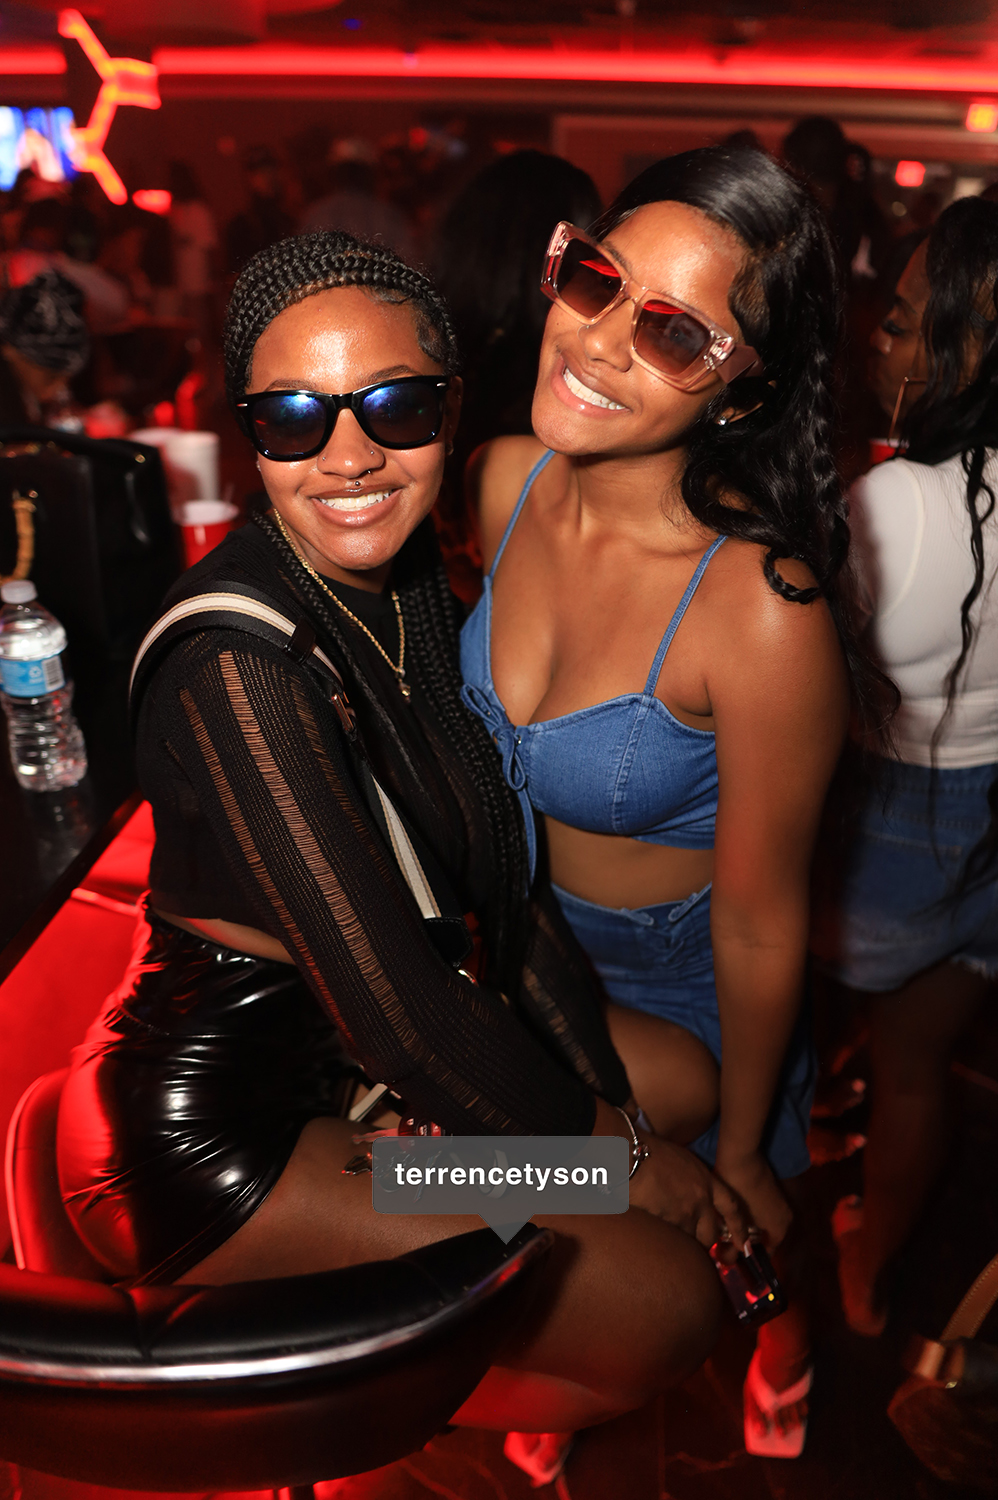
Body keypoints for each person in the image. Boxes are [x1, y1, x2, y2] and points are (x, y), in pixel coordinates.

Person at [56, 230, 745, 1464]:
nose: (349, 457)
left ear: (450, 407)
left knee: (680, 1080)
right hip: (224, 1146)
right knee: (671, 1302)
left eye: (395, 406)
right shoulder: (235, 663)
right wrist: (618, 1161)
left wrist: (603, 1119)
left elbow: (500, 886)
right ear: (246, 435)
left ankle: (480, 1288)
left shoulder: (407, 580)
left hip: (350, 1076)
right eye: (293, 419)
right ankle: (329, 1403)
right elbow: (399, 1015)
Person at [460, 145, 875, 1457]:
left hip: (689, 991)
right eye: (594, 279)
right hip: (523, 954)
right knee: (497, 1176)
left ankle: (778, 1340)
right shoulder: (499, 480)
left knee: (744, 1229)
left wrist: (742, 1146)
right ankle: (554, 1333)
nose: (596, 341)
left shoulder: (759, 605)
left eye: (674, 332)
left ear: (746, 386)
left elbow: (759, 921)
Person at [820, 195, 998, 1336]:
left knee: (778, 1061)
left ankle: (768, 1303)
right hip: (992, 825)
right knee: (915, 1070)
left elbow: (804, 693)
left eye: (896, 320)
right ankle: (871, 1279)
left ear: (963, 346)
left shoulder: (896, 505)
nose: (877, 343)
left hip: (889, 823)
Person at [0, 268, 89, 428]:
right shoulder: (8, 405)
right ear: (10, 351)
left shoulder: (23, 394)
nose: (57, 389)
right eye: (51, 377)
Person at [224, 146, 294, 278]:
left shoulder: (292, 217)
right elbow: (235, 274)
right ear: (249, 179)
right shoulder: (240, 226)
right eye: (260, 173)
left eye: (271, 170)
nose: (268, 177)